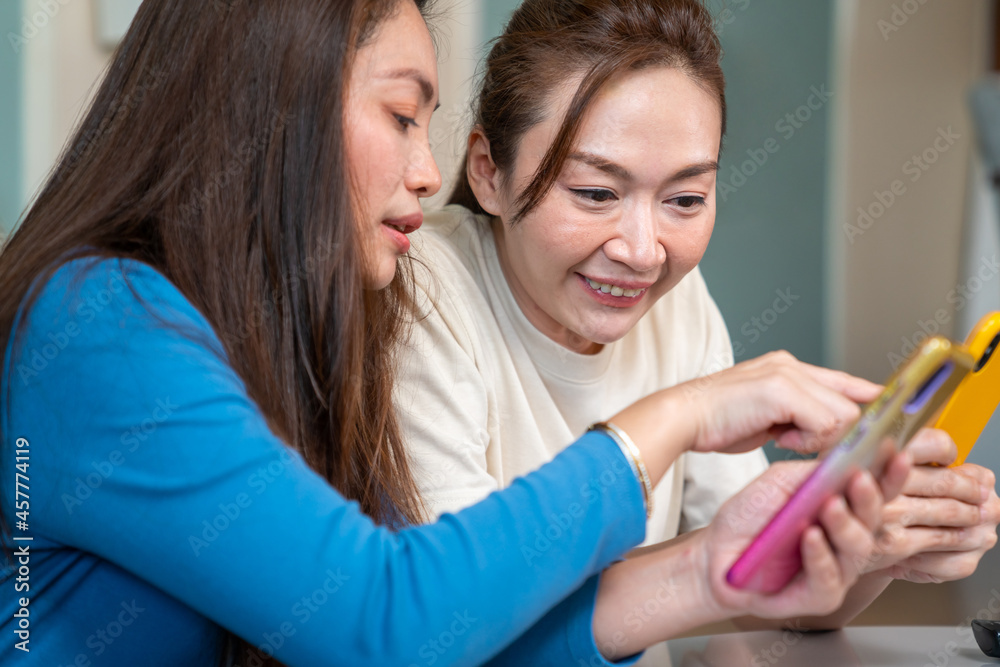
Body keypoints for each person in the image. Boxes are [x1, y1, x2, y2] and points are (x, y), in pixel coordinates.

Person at [0, 1, 906, 665]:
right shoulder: (97, 326)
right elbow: (389, 624)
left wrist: (717, 565)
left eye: (685, 195)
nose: (429, 174)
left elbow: (467, 635)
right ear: (272, 113)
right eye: (401, 116)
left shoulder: (274, 335)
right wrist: (675, 418)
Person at [396, 0, 1000, 630]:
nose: (642, 251)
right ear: (490, 173)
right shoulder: (424, 287)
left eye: (685, 199)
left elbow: (770, 600)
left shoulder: (677, 303)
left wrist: (876, 544)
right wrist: (717, 550)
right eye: (597, 193)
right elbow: (462, 613)